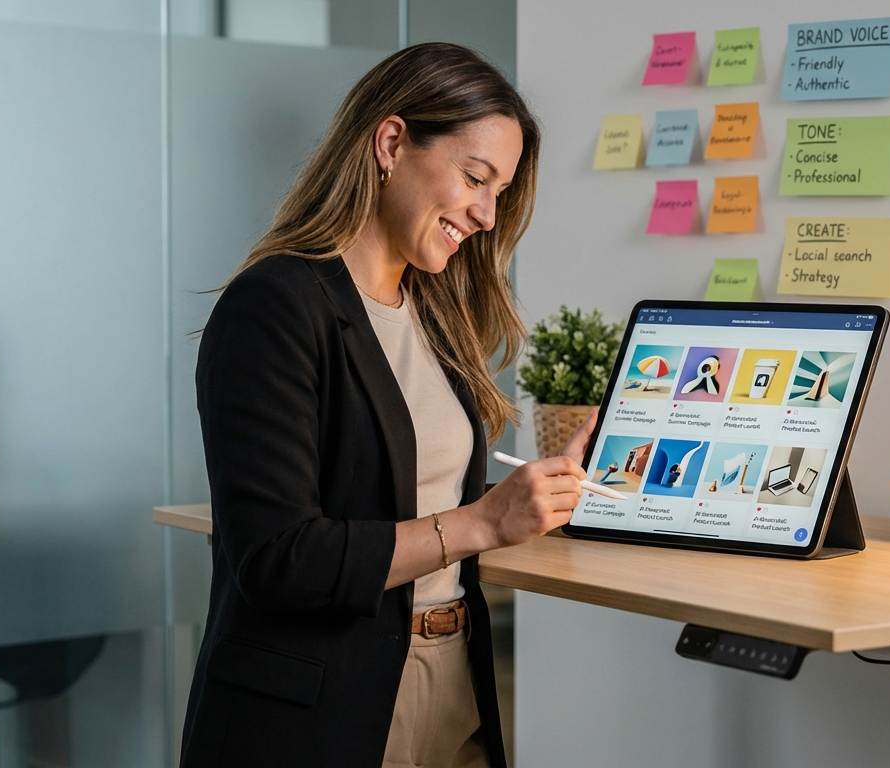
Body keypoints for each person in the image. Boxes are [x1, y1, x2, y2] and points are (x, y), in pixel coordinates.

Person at [178, 43, 595, 768]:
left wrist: (539, 498)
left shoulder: (431, 313)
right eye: (475, 178)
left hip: (451, 680)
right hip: (327, 708)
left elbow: (398, 492)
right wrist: (481, 524)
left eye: (500, 191)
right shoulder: (274, 305)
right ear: (393, 142)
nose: (487, 214)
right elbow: (277, 559)